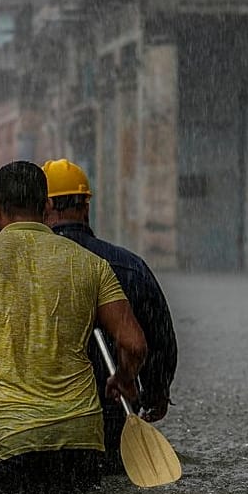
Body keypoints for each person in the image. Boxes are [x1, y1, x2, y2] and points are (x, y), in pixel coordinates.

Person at [0, 160, 147, 494]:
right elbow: (134, 344)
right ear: (46, 207)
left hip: (9, 440)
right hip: (82, 440)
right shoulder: (91, 264)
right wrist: (123, 379)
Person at [44, 159, 178, 475]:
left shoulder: (25, 268)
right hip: (114, 416)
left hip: (43, 423)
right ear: (85, 207)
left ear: (44, 207)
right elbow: (158, 338)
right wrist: (155, 391)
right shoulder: (129, 266)